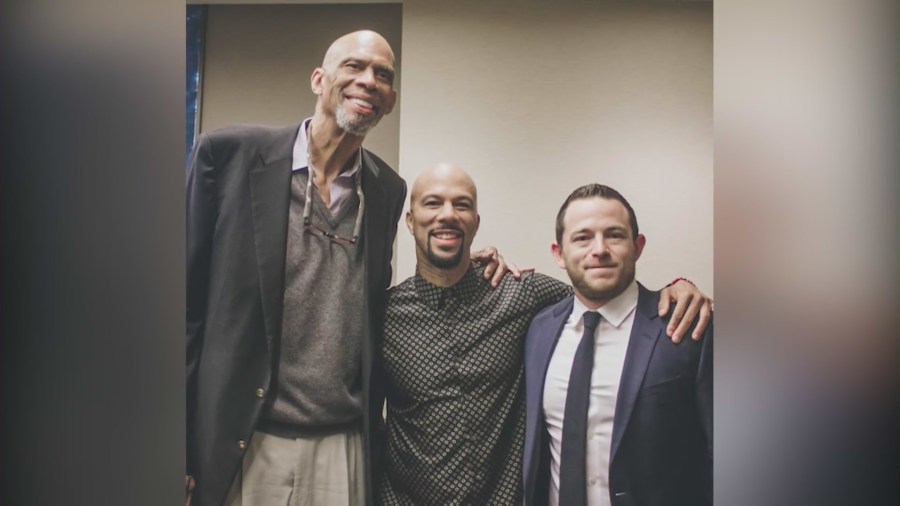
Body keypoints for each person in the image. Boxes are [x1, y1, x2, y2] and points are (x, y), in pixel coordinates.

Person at [186, 31, 509, 506]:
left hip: (344, 445)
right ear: (319, 79)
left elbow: (372, 300)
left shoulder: (385, 190)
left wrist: (465, 267)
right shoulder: (228, 155)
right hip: (245, 438)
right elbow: (183, 308)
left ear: (391, 101)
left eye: (383, 74)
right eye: (354, 67)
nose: (368, 81)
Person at [377, 165, 712, 505]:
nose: (447, 215)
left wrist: (679, 287)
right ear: (409, 220)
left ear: (476, 222)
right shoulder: (381, 315)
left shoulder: (524, 295)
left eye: (461, 204)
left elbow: (599, 290)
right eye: (433, 203)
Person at [522, 184, 713, 506]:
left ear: (637, 246)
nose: (599, 249)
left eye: (614, 235)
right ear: (559, 254)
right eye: (582, 237)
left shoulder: (688, 328)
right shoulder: (539, 329)